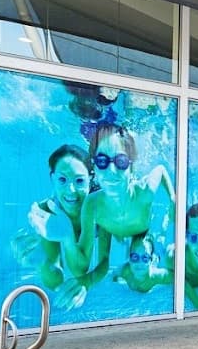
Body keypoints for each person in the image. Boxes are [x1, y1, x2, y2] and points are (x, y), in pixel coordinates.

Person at [73, 123, 173, 308]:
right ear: (94, 167)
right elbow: (100, 263)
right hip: (109, 228)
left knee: (149, 246)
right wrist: (86, 281)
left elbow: (160, 169)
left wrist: (173, 199)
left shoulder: (144, 192)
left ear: (131, 167)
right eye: (102, 161)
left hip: (142, 230)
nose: (111, 171)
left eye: (120, 161)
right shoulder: (92, 204)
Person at [14, 144, 95, 291]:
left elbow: (80, 270)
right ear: (52, 178)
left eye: (79, 181)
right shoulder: (46, 213)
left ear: (90, 179)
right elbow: (56, 283)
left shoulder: (97, 207)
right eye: (62, 180)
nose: (71, 190)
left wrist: (67, 237)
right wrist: (42, 262)